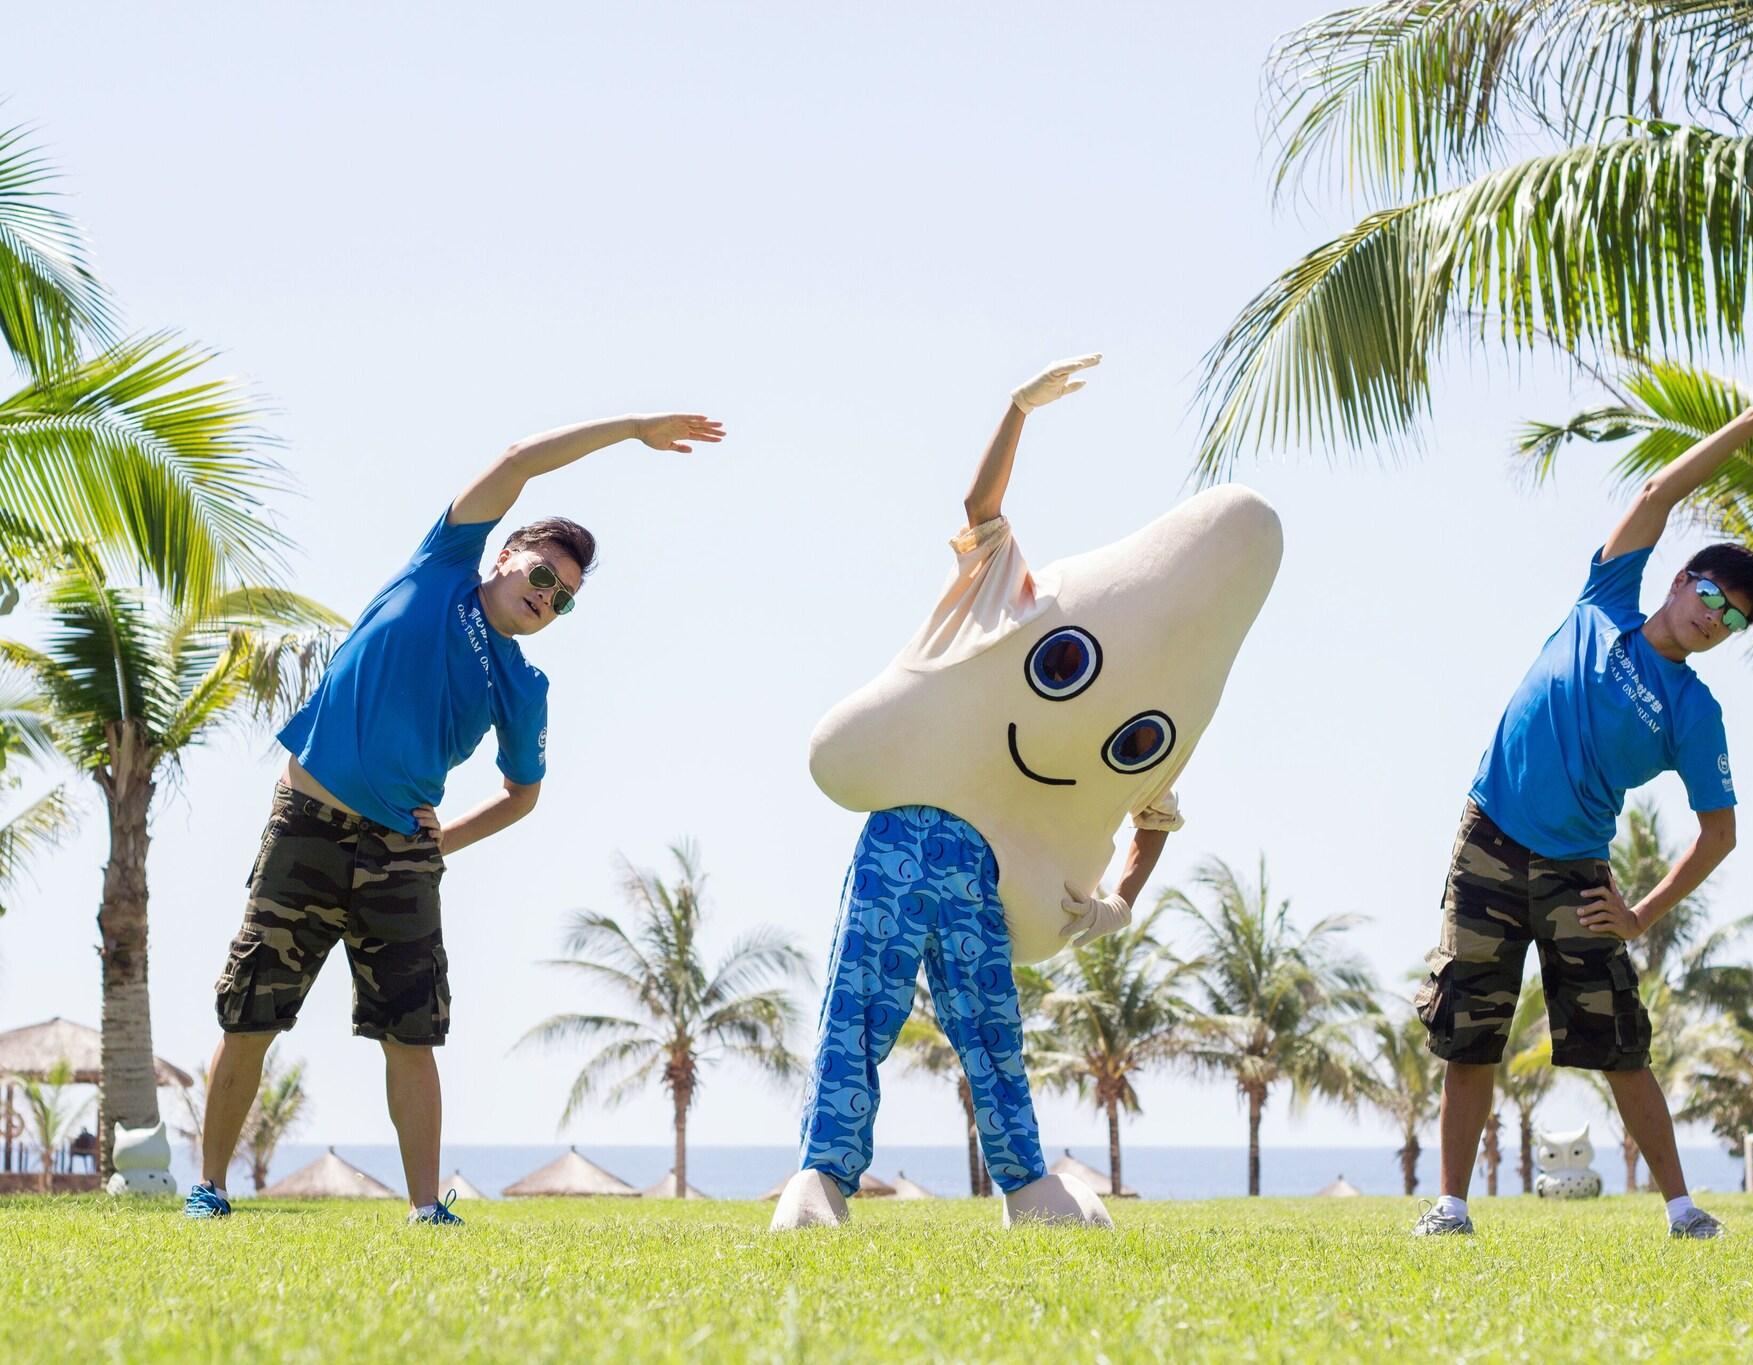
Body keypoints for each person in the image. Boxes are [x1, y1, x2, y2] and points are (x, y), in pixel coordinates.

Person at [774, 355, 1283, 1229]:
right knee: (859, 1005)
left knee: (991, 1031)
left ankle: (1025, 1186)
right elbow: (982, 508)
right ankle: (823, 1177)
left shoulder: (1168, 711)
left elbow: (1154, 815)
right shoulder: (1014, 601)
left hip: (984, 873)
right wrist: (1017, 408)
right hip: (899, 839)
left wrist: (1119, 900)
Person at [184, 409, 724, 1224]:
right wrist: (635, 428)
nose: (545, 597)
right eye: (541, 575)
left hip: (401, 855)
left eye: (562, 600)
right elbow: (519, 459)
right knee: (250, 1013)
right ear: (504, 555)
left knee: (412, 1035)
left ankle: (425, 1208)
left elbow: (523, 792)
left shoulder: (523, 686)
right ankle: (210, 1189)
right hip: (307, 824)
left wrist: (444, 843)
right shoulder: (440, 565)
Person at [1412, 372, 1753, 1240]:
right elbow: (1658, 490)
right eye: (1711, 597)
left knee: (1619, 1043)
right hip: (1488, 837)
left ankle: (1683, 1209)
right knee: (1469, 1030)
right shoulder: (1604, 600)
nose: (1715, 620)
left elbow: (1720, 832)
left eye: (1734, 621)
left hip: (1577, 874)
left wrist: (1640, 911)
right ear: (1680, 580)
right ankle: (1450, 1208)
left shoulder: (1695, 713)